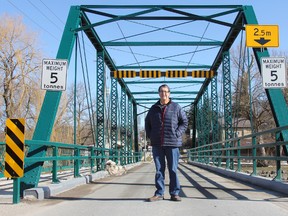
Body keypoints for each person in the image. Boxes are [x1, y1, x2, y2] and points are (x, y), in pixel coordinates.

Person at [145, 84, 188, 202]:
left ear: (169, 93)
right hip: (157, 144)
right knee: (159, 170)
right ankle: (159, 193)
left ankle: (174, 193)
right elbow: (147, 123)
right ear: (159, 93)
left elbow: (184, 122)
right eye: (162, 91)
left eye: (166, 91)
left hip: (173, 143)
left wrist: (177, 133)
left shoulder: (176, 107)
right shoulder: (153, 109)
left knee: (173, 169)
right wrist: (151, 136)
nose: (164, 94)